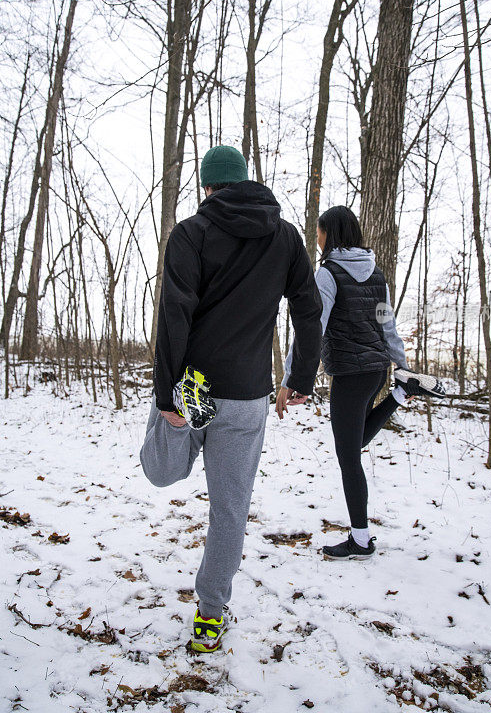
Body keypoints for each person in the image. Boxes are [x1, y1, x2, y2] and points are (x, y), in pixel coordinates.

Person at [140, 145, 322, 652]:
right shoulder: (285, 237)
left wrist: (166, 396)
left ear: (206, 186)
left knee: (161, 470)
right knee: (229, 510)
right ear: (245, 180)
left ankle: (209, 610)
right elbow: (309, 311)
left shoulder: (191, 233)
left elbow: (174, 313)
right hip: (246, 396)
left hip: (193, 386)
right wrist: (300, 378)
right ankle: (210, 613)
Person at [276, 206, 444, 561]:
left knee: (348, 456)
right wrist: (401, 364)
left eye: (319, 233)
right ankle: (401, 390)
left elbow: (312, 329)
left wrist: (292, 377)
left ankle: (361, 540)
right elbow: (388, 325)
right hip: (375, 371)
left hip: (352, 374)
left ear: (330, 235)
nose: (317, 239)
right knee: (355, 441)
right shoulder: (377, 275)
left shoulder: (329, 274)